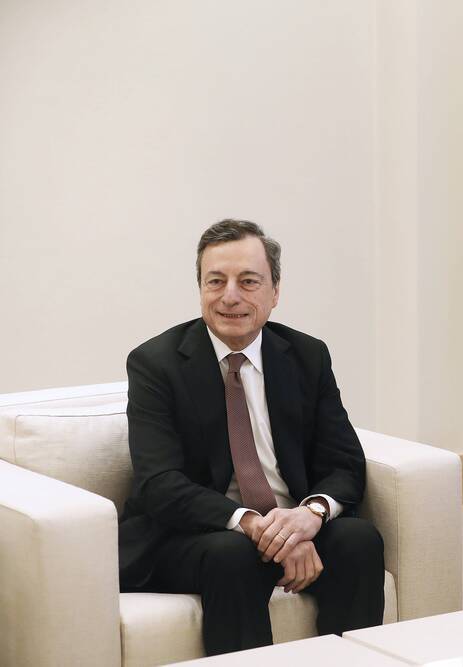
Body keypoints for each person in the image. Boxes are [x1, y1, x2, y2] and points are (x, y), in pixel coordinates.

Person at [118, 219, 384, 655]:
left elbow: (344, 462)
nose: (230, 296)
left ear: (275, 292)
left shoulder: (306, 356)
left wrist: (310, 516)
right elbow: (158, 483)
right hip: (194, 535)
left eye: (248, 281)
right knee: (233, 555)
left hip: (288, 521)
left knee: (359, 541)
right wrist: (252, 525)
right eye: (215, 281)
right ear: (200, 288)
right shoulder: (155, 364)